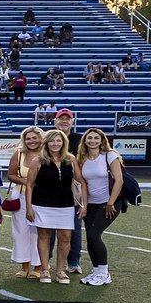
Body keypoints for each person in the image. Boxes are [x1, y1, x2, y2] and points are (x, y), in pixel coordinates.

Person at [26, 129, 82, 285]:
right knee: (44, 236)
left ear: (64, 142)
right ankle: (45, 269)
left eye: (58, 140)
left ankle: (60, 270)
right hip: (42, 204)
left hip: (66, 205)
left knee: (65, 237)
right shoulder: (38, 161)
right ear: (46, 143)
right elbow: (29, 185)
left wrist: (83, 204)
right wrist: (29, 208)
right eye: (52, 141)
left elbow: (80, 181)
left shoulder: (70, 160)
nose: (55, 144)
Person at [75, 127, 123, 287]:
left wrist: (110, 202)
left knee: (94, 235)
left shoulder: (110, 155)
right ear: (85, 140)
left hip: (110, 202)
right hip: (92, 203)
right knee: (89, 237)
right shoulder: (82, 158)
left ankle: (104, 273)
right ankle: (97, 271)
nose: (93, 140)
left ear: (102, 140)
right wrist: (85, 205)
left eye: (96, 138)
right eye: (90, 138)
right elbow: (84, 184)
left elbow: (119, 180)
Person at [7, 126, 44, 279]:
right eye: (28, 138)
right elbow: (10, 175)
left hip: (42, 198)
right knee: (21, 232)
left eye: (34, 138)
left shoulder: (47, 154)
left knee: (39, 232)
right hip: (20, 196)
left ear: (41, 138)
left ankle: (38, 267)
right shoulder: (19, 153)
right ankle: (24, 266)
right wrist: (26, 181)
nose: (31, 141)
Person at [50, 109, 83, 273]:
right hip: (49, 189)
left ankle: (73, 262)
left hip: (73, 189)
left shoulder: (80, 139)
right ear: (55, 121)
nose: (64, 121)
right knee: (47, 229)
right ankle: (46, 261)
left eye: (67, 119)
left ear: (72, 121)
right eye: (61, 118)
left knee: (74, 229)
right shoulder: (48, 138)